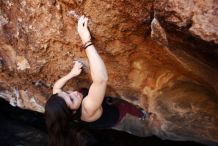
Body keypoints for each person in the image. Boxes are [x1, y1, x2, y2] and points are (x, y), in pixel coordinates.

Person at [45, 16, 150, 146]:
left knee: (104, 99)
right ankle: (142, 114)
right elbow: (101, 80)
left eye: (67, 93)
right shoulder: (87, 108)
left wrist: (72, 74)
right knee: (124, 106)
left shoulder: (64, 107)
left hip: (99, 110)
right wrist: (86, 41)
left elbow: (56, 88)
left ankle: (107, 101)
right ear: (72, 111)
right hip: (111, 117)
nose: (73, 93)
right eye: (71, 99)